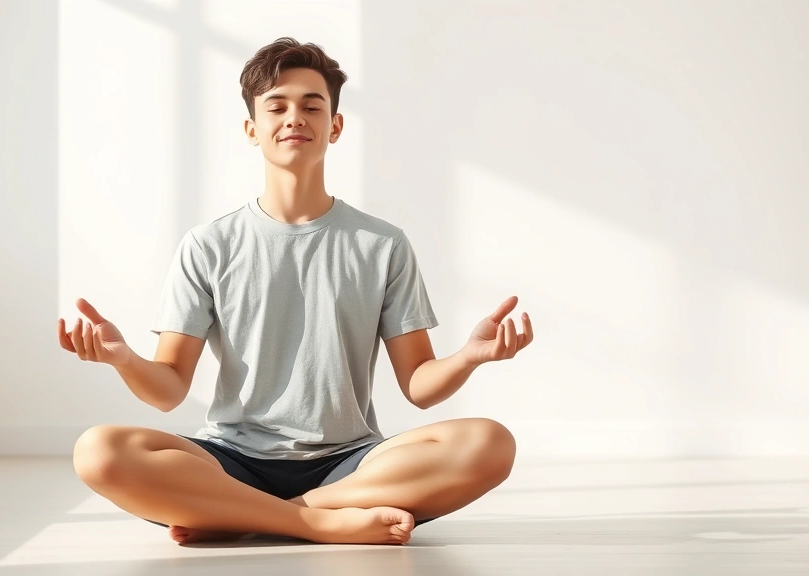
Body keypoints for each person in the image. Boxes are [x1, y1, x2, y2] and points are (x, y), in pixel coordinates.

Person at [58, 37, 533, 546]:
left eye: (313, 105)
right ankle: (314, 523)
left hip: (351, 466)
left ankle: (254, 514)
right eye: (277, 106)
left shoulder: (382, 244)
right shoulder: (209, 245)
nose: (294, 117)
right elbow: (170, 388)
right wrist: (124, 358)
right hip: (231, 460)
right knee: (98, 450)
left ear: (335, 126)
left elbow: (419, 386)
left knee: (489, 443)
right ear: (251, 129)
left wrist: (469, 357)